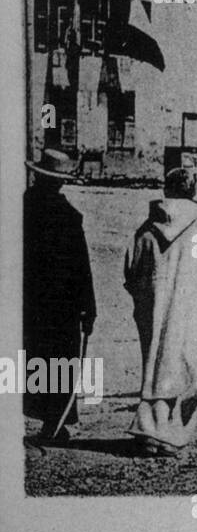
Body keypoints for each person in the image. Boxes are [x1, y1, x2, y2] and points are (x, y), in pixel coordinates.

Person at [124, 167, 197, 456]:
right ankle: (171, 433)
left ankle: (149, 429)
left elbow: (132, 270)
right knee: (187, 368)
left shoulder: (147, 229)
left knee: (156, 366)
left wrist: (146, 297)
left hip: (153, 309)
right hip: (193, 310)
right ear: (193, 191)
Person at [23, 150, 96, 445]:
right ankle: (57, 420)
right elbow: (82, 268)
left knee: (32, 355)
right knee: (61, 360)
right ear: (61, 182)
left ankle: (41, 416)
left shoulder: (22, 207)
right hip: (63, 306)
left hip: (29, 301)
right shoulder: (68, 216)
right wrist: (89, 309)